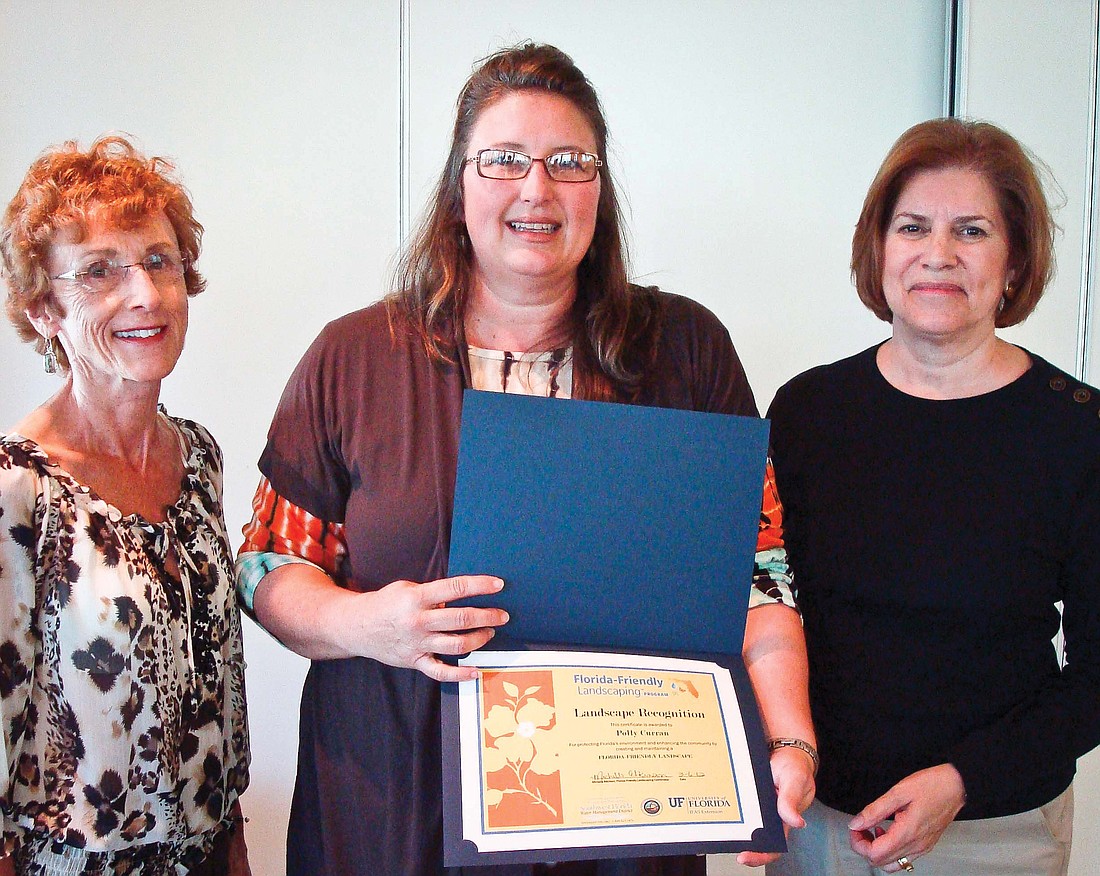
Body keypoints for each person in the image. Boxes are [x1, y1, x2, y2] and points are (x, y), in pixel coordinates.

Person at [236, 42, 814, 876]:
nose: (536, 189)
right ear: (458, 184)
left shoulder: (686, 350)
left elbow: (759, 572)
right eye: (503, 160)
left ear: (600, 191)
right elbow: (265, 567)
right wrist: (368, 623)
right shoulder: (355, 356)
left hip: (623, 810)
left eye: (569, 163)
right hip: (395, 806)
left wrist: (786, 739)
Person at [766, 118, 1100, 876]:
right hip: (822, 820)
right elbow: (764, 605)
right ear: (879, 249)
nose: (938, 254)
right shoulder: (806, 412)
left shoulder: (1078, 431)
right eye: (913, 226)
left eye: (972, 230)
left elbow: (1096, 675)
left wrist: (961, 782)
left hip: (997, 831)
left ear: (1015, 260)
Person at [0, 137, 250, 875]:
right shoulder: (19, 485)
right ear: (44, 308)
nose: (144, 294)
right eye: (100, 271)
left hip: (209, 853)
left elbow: (215, 688)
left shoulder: (198, 456)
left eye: (159, 261)